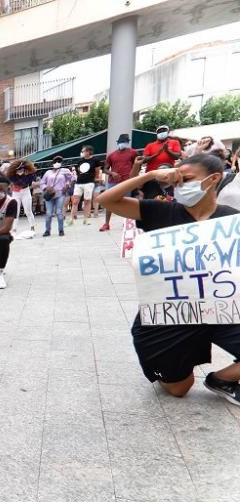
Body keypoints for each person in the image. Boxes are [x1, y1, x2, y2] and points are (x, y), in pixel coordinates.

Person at [98, 153, 240, 403]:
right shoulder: (159, 211)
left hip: (220, 311)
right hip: (170, 318)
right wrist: (151, 174)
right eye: (176, 181)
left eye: (187, 179)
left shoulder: (232, 220)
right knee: (179, 389)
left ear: (214, 178)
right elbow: (107, 200)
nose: (180, 186)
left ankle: (222, 379)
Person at [101, 133, 138, 232]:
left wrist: (134, 177)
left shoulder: (133, 153)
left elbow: (137, 165)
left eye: (124, 142)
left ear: (128, 143)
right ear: (118, 143)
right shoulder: (112, 155)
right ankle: (106, 223)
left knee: (127, 202)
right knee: (109, 202)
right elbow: (104, 169)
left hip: (127, 181)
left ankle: (127, 224)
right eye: (121, 142)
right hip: (113, 181)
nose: (123, 144)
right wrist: (112, 173)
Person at [141, 125, 183, 199]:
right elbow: (144, 160)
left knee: (168, 199)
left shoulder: (174, 142)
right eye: (159, 131)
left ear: (168, 132)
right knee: (150, 198)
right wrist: (157, 154)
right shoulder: (150, 145)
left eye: (164, 131)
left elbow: (177, 156)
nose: (162, 133)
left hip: (167, 178)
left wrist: (167, 151)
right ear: (156, 134)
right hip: (152, 177)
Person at [40, 156, 75, 237]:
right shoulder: (48, 172)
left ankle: (61, 230)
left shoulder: (64, 171)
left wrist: (67, 186)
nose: (57, 163)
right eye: (55, 161)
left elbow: (73, 178)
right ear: (52, 163)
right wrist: (46, 188)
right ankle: (47, 230)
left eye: (59, 161)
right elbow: (42, 182)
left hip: (60, 194)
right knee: (49, 213)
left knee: (59, 212)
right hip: (50, 195)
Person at [71, 145, 102, 223]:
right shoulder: (80, 161)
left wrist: (94, 178)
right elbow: (78, 172)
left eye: (83, 151)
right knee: (75, 201)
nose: (82, 153)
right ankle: (71, 218)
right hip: (79, 182)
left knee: (87, 200)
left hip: (89, 182)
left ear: (88, 152)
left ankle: (86, 219)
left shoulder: (95, 160)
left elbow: (97, 171)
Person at [5, 159, 37, 236]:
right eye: (18, 170)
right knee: (16, 211)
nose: (20, 171)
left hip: (26, 191)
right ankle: (14, 229)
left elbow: (30, 183)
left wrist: (27, 175)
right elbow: (14, 183)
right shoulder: (12, 175)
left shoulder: (29, 174)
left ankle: (32, 227)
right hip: (16, 193)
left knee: (28, 211)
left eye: (22, 169)